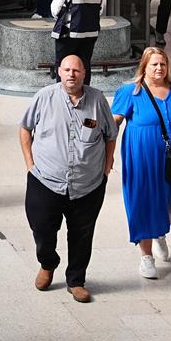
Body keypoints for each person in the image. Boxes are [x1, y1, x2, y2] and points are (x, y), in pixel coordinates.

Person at [18, 55, 116, 304]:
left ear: (85, 73)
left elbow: (110, 135)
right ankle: (47, 263)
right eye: (67, 70)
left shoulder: (97, 100)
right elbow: (25, 128)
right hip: (45, 180)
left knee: (82, 234)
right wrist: (30, 164)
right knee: (41, 227)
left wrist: (106, 168)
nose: (71, 74)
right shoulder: (44, 97)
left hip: (88, 184)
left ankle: (76, 280)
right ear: (59, 72)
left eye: (76, 70)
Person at [110, 47, 171, 281]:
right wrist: (105, 151)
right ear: (144, 67)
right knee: (143, 204)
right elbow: (114, 123)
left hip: (169, 159)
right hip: (141, 160)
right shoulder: (130, 92)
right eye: (154, 64)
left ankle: (158, 232)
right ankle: (146, 258)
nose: (159, 68)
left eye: (162, 64)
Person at [48, 0, 103, 80]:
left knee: (63, 66)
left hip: (69, 32)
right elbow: (101, 8)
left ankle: (63, 96)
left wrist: (62, 17)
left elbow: (54, 8)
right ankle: (85, 95)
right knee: (84, 66)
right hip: (91, 32)